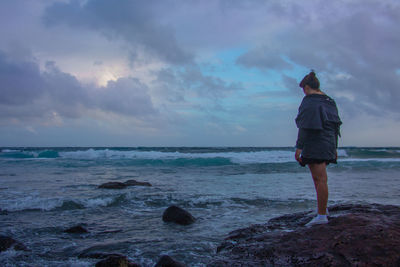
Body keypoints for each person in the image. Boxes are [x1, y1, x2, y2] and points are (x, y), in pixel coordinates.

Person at [295, 71, 342, 226]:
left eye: (304, 89)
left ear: (307, 87)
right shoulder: (330, 101)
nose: (304, 92)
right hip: (328, 142)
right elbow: (335, 126)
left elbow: (304, 125)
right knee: (320, 178)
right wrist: (334, 147)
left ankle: (322, 216)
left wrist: (299, 147)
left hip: (314, 142)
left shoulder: (309, 101)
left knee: (320, 179)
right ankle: (322, 210)